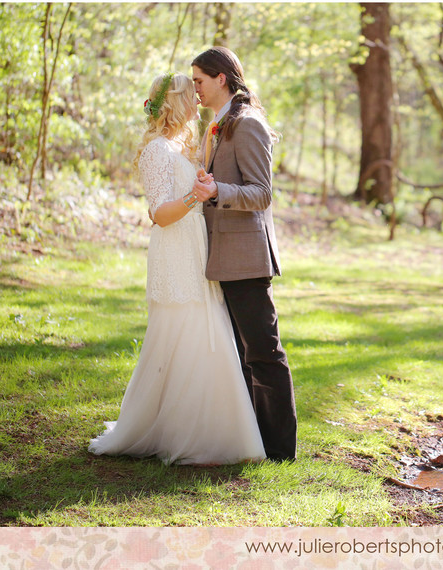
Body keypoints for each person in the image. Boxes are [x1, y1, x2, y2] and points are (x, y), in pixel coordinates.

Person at [89, 72, 266, 466]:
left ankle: (214, 431)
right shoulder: (156, 150)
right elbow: (160, 214)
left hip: (195, 249)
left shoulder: (180, 145)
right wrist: (194, 195)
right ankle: (187, 435)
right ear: (174, 101)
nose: (198, 100)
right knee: (183, 334)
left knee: (206, 332)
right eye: (191, 94)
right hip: (174, 252)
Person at [190, 47, 297, 462]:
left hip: (246, 257)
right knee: (243, 354)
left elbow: (262, 193)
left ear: (221, 79)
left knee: (264, 354)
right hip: (224, 255)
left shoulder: (247, 123)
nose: (195, 89)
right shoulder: (218, 123)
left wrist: (218, 191)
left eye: (199, 80)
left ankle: (280, 452)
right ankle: (257, 442)